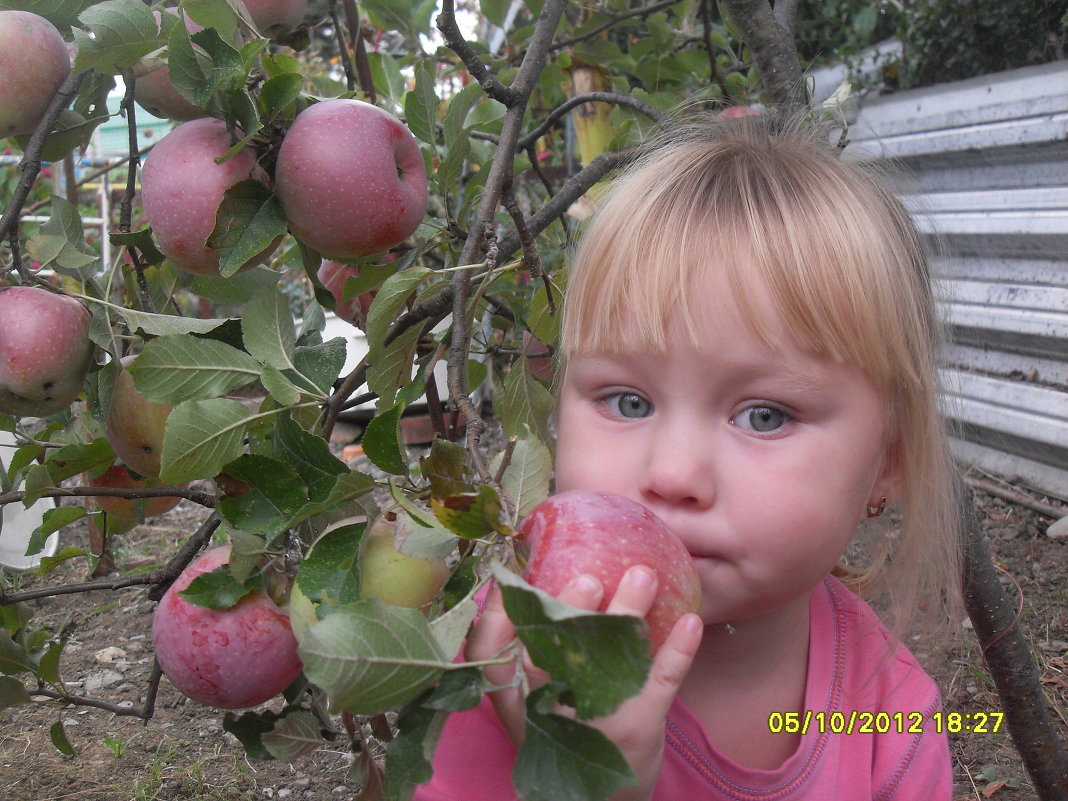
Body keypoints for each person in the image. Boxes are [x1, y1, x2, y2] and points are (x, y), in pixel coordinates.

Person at [413, 111, 964, 800]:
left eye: (764, 415)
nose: (672, 475)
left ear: (889, 462)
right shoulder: (509, 660)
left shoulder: (890, 726)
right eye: (628, 401)